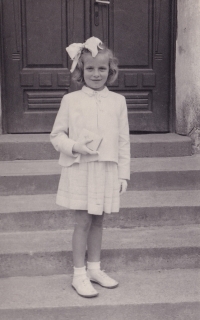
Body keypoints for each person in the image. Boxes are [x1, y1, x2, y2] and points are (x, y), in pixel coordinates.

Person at [50, 36, 130, 298]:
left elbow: (122, 140)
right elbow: (56, 136)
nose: (96, 74)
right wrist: (75, 147)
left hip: (106, 169)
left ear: (111, 71)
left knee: (99, 220)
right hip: (81, 168)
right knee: (82, 221)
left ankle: (95, 269)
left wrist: (123, 174)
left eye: (102, 69)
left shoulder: (118, 101)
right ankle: (79, 274)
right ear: (81, 72)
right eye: (90, 69)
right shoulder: (71, 100)